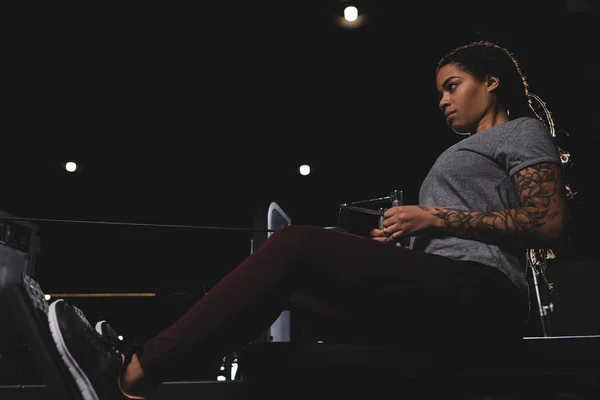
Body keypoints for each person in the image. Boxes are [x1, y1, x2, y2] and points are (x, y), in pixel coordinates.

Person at [47, 40, 569, 399]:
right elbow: (455, 230)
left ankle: (131, 371)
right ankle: (144, 367)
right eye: (440, 91)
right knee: (284, 290)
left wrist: (429, 216)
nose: (443, 100)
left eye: (452, 86)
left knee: (297, 246)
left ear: (492, 80)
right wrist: (406, 242)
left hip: (484, 294)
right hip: (450, 291)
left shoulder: (520, 131)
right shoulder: (474, 147)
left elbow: (546, 223)